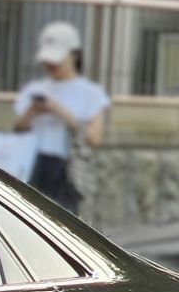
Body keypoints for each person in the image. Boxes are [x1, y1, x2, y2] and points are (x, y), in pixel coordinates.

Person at [13, 21, 109, 214]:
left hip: (67, 170)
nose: (51, 64)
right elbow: (18, 129)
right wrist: (33, 111)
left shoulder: (91, 93)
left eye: (57, 59)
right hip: (32, 165)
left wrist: (60, 111)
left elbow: (94, 138)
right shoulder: (33, 89)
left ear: (74, 54)